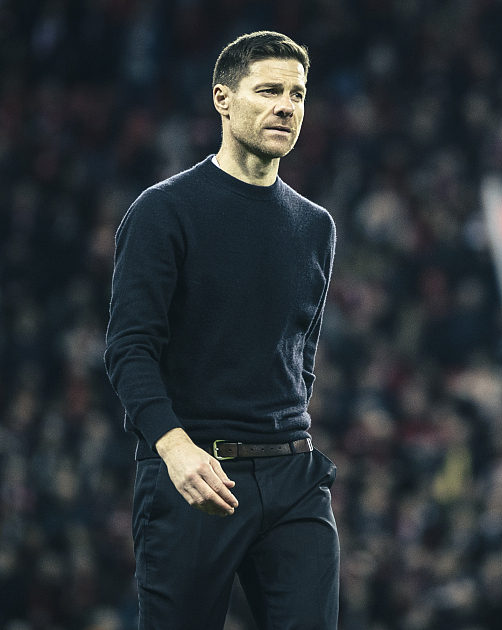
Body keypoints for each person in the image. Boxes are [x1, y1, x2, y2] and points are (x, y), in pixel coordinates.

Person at [104, 31, 339, 629]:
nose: (287, 106)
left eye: (297, 93)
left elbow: (300, 352)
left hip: (293, 474)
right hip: (194, 471)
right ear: (223, 100)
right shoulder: (163, 211)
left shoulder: (316, 227)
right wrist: (172, 444)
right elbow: (129, 349)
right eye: (268, 91)